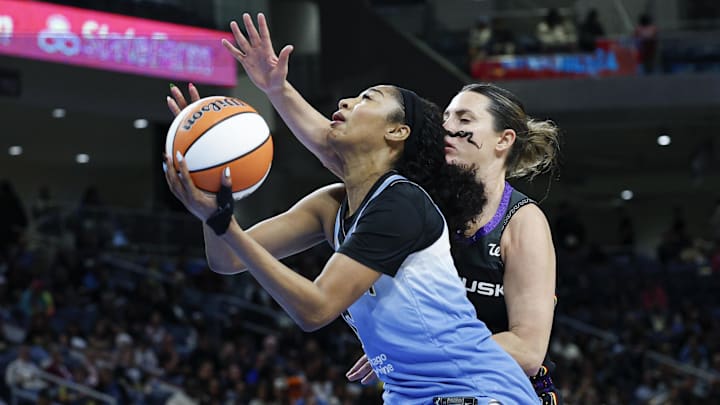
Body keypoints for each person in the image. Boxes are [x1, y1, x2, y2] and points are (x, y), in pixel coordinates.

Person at [169, 13, 560, 403]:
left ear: (503, 139)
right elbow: (345, 155)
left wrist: (417, 350)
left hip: (489, 387)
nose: (448, 127)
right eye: (444, 117)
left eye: (463, 118)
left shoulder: (513, 220)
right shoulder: (395, 195)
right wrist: (217, 167)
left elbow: (527, 350)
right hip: (412, 390)